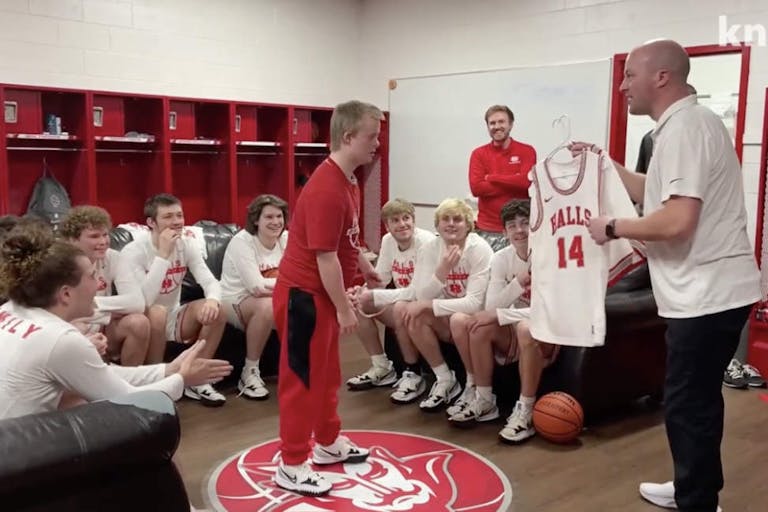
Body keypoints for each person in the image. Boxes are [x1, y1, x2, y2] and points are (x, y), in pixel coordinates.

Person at [576, 39, 760, 512]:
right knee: (694, 400)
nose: (622, 86)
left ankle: (698, 501)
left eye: (630, 75)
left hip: (708, 295)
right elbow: (655, 192)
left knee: (689, 404)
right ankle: (690, 486)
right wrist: (606, 167)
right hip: (707, 293)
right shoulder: (685, 125)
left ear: (661, 77)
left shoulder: (684, 130)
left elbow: (677, 220)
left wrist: (612, 227)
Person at [0, 223, 232, 420]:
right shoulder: (61, 340)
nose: (99, 284)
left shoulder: (10, 309)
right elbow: (126, 400)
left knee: (75, 396)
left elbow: (104, 376)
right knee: (126, 415)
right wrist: (181, 379)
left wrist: (168, 369)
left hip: (12, 437)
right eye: (92, 276)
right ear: (66, 294)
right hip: (17, 451)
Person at [272, 100, 383, 496]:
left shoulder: (348, 179)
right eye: (372, 136)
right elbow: (324, 257)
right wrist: (343, 309)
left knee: (327, 374)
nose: (377, 144)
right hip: (303, 298)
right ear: (349, 137)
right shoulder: (325, 189)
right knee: (301, 381)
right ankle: (291, 463)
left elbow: (346, 238)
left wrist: (365, 266)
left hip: (320, 295)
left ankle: (328, 441)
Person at [447, 199, 558, 441]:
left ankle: (526, 410)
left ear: (536, 226)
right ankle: (485, 399)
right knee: (477, 325)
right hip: (515, 329)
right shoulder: (501, 258)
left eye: (525, 223)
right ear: (505, 232)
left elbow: (550, 312)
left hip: (549, 331)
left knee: (525, 328)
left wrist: (501, 314)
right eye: (512, 225)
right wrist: (518, 283)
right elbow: (491, 307)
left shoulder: (552, 256)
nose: (519, 230)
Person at [116, 194, 228, 407]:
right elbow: (143, 302)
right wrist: (163, 255)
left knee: (218, 311)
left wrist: (213, 300)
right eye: (168, 217)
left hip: (174, 315)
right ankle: (158, 384)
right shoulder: (134, 251)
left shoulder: (187, 244)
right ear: (151, 222)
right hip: (145, 318)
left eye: (179, 215)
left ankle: (196, 380)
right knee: (157, 312)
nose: (177, 222)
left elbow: (210, 281)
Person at [390, 198, 493, 411]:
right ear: (437, 225)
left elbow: (475, 304)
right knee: (413, 313)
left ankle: (473, 385)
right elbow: (421, 294)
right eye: (445, 219)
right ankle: (445, 379)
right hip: (448, 317)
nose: (451, 224)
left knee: (456, 318)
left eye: (457, 219)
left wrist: (429, 305)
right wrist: (443, 270)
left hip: (476, 321)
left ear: (468, 225)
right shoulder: (430, 248)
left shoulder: (479, 249)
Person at [345, 198, 434, 391]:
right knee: (358, 303)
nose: (402, 224)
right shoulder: (388, 241)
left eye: (406, 218)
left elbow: (418, 292)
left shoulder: (426, 242)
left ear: (414, 220)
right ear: (387, 226)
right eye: (395, 220)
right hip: (403, 302)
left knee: (399, 307)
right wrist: (361, 291)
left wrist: (374, 295)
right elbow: (381, 279)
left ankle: (413, 373)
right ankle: (382, 366)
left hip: (427, 307)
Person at [60, 206, 151, 366]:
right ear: (73, 239)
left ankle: (130, 379)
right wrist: (109, 312)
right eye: (94, 236)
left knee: (139, 322)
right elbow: (61, 315)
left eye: (105, 235)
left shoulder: (113, 257)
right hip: (72, 332)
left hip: (103, 329)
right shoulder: (58, 264)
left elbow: (137, 303)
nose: (103, 242)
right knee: (77, 327)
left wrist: (91, 305)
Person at [220, 194, 289, 400]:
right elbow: (256, 287)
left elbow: (303, 276)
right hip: (234, 299)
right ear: (256, 220)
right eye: (269, 217)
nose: (276, 222)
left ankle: (298, 367)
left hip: (271, 296)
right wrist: (289, 284)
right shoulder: (242, 241)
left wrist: (291, 284)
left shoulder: (286, 239)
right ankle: (249, 372)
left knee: (306, 302)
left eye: (279, 216)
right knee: (267, 306)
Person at [468, 104, 537, 251]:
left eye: (501, 122)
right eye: (492, 123)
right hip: (487, 230)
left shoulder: (527, 151)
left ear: (510, 124)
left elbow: (525, 182)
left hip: (519, 230)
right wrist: (514, 182)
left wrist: (492, 178)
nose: (497, 126)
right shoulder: (478, 154)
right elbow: (477, 188)